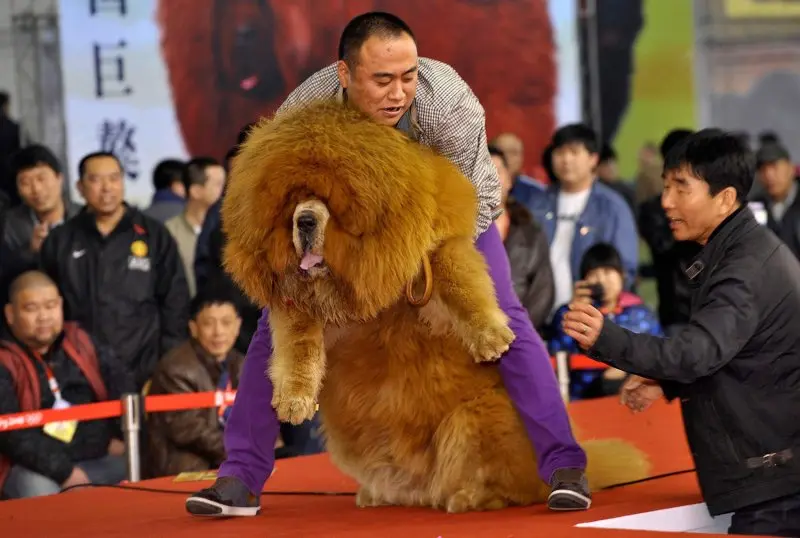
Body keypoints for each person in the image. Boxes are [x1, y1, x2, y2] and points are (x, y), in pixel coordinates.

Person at [187, 11, 590, 517]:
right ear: (344, 74)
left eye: (408, 76)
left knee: (501, 319)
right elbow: (273, 202)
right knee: (278, 325)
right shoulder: (303, 113)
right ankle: (240, 478)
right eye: (382, 80)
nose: (398, 93)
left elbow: (471, 201)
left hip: (448, 219)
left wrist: (413, 257)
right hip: (344, 228)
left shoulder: (449, 105)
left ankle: (563, 464)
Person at [563, 129, 800, 536]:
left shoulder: (743, 268)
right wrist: (666, 383)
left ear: (725, 198)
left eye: (681, 188)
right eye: (666, 185)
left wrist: (608, 338)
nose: (666, 201)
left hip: (774, 484)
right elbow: (742, 352)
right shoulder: (741, 251)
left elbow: (698, 353)